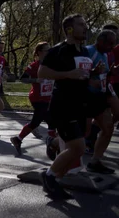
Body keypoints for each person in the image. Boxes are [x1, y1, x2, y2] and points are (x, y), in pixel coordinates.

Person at [38, 13, 93, 200]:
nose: (85, 27)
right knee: (78, 148)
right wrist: (68, 74)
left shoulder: (84, 51)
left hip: (80, 104)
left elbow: (82, 75)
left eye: (85, 24)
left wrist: (94, 72)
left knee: (76, 145)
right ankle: (49, 177)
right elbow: (42, 72)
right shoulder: (58, 50)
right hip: (63, 105)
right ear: (70, 29)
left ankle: (55, 176)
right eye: (81, 24)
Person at [10, 42, 56, 156]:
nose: (49, 52)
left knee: (47, 121)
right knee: (43, 121)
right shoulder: (34, 66)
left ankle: (19, 139)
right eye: (46, 50)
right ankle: (51, 144)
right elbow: (23, 78)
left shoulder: (52, 64)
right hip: (37, 98)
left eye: (50, 50)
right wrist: (36, 80)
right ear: (39, 52)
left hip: (48, 97)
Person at [81, 30, 117, 174]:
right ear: (101, 41)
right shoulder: (88, 51)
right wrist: (92, 76)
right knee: (83, 132)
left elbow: (102, 74)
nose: (112, 46)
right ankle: (53, 143)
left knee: (108, 129)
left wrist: (110, 73)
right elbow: (79, 73)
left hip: (99, 97)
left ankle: (95, 161)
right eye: (110, 43)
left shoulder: (105, 54)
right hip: (86, 97)